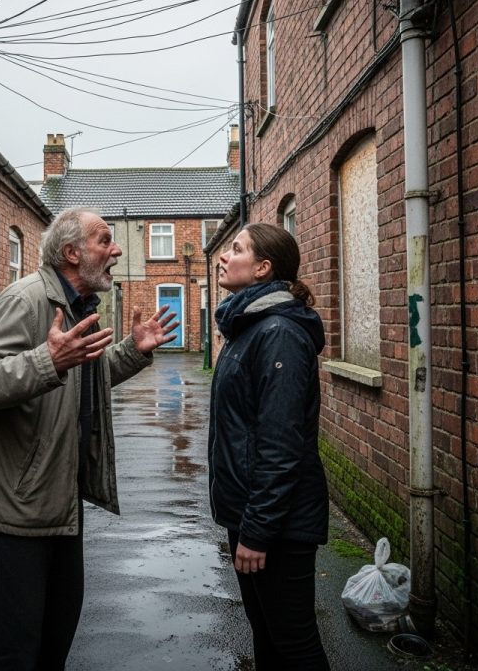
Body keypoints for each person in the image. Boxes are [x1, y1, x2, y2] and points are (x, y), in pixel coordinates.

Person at [0, 207, 178, 671]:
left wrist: (130, 352)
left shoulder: (78, 308)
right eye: (105, 240)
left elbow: (84, 379)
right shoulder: (26, 300)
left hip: (60, 498)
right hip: (20, 502)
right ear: (71, 253)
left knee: (57, 629)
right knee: (16, 643)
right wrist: (48, 361)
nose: (116, 249)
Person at [208, 222, 330, 671]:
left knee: (294, 643)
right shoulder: (249, 328)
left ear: (262, 268)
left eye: (235, 249)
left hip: (279, 523)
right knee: (268, 636)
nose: (223, 255)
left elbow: (281, 445)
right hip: (253, 514)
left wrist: (257, 530)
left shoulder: (278, 332)